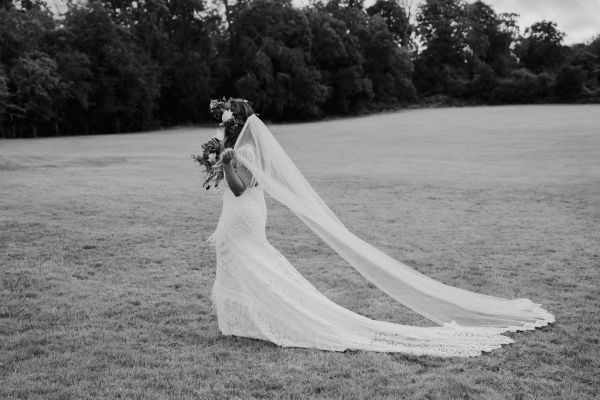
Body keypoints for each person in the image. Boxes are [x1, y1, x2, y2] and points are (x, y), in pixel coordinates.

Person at [207, 98, 554, 357]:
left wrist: (224, 164)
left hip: (244, 213)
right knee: (248, 264)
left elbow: (239, 187)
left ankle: (256, 320)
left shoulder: (244, 150)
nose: (222, 130)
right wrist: (220, 158)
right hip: (244, 214)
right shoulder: (242, 147)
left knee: (250, 263)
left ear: (235, 124)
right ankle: (241, 322)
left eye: (224, 125)